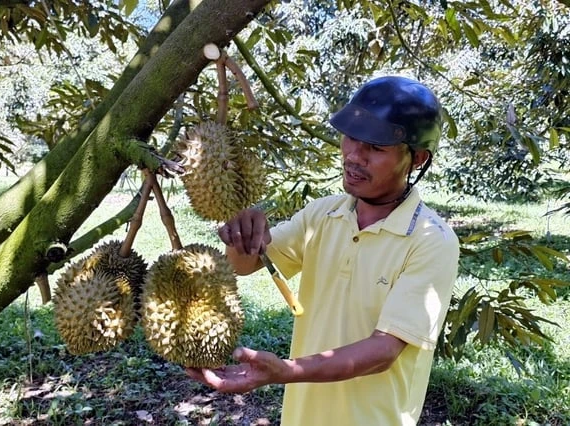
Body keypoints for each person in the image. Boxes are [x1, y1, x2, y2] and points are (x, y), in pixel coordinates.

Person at [185, 75, 460, 425]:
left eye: (375, 148)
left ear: (418, 158)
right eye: (351, 138)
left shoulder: (431, 240)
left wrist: (286, 370)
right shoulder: (323, 214)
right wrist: (242, 233)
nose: (354, 156)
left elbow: (383, 351)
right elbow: (244, 264)